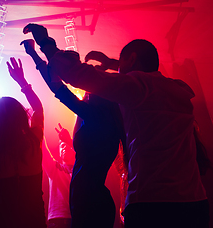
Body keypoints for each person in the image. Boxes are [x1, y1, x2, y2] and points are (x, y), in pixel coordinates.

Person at [24, 23, 209, 228]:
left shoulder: (136, 89)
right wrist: (113, 63)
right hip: (193, 201)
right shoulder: (177, 89)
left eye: (121, 64)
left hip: (153, 202)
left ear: (131, 59)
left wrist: (44, 42)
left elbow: (77, 75)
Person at [21, 38, 125, 228]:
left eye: (90, 90)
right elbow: (58, 86)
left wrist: (37, 53)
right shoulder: (97, 116)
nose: (85, 91)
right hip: (88, 200)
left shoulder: (97, 115)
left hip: (90, 202)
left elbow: (58, 88)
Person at [0, 57, 46, 228]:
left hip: (1, 221)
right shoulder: (33, 143)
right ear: (21, 116)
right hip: (33, 220)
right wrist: (21, 81)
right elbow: (38, 109)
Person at [42, 124, 75, 228]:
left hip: (76, 219)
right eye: (61, 145)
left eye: (66, 144)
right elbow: (41, 147)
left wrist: (69, 141)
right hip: (56, 220)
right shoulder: (54, 168)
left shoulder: (81, 169)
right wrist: (37, 125)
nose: (64, 146)